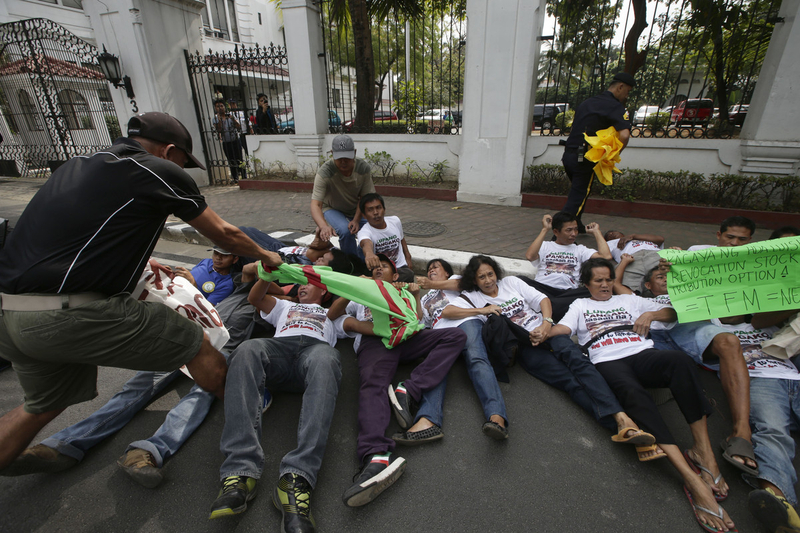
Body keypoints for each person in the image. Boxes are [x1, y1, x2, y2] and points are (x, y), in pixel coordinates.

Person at [0, 111, 282, 472]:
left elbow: (80, 236)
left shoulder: (77, 165)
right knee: (200, 347)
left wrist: (143, 264)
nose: (185, 170)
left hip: (12, 313)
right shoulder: (155, 169)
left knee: (42, 405)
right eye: (184, 161)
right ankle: (247, 434)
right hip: (68, 313)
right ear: (168, 152)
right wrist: (265, 255)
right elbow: (223, 233)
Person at [550, 258, 736, 533]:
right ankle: (692, 479)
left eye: (608, 279)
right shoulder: (580, 305)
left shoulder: (630, 301)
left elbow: (673, 311)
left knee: (679, 362)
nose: (604, 285)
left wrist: (651, 315)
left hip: (641, 352)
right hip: (606, 359)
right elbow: (561, 330)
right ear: (587, 284)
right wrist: (539, 326)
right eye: (598, 281)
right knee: (633, 395)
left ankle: (702, 451)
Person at [451, 255, 653, 453]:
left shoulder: (511, 282)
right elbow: (448, 311)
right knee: (569, 382)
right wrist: (481, 311)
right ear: (474, 280)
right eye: (482, 277)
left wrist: (546, 324)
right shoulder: (473, 297)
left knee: (579, 364)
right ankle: (620, 427)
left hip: (548, 332)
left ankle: (621, 417)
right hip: (525, 347)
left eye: (491, 274)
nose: (488, 280)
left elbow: (542, 299)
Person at [328, 254, 465, 507]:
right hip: (376, 340)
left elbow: (421, 321)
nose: (378, 270)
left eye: (384, 267)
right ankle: (375, 457)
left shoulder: (401, 292)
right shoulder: (362, 292)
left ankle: (408, 390)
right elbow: (331, 316)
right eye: (375, 268)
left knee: (455, 337)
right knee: (373, 386)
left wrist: (413, 295)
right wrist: (351, 289)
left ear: (394, 275)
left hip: (408, 336)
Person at [209, 277, 344, 533]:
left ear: (325, 292)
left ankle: (297, 479)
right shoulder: (284, 306)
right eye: (301, 283)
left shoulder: (333, 314)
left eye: (312, 283)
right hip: (278, 352)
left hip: (314, 356)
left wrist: (352, 288)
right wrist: (266, 275)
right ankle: (239, 472)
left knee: (328, 358)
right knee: (247, 349)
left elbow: (353, 313)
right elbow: (254, 298)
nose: (303, 286)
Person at [712, 315, 800, 533]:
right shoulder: (710, 328)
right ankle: (778, 501)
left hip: (794, 375)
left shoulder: (771, 321)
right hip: (759, 378)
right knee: (772, 429)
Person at [415, 258, 510, 439]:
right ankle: (428, 421)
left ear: (447, 272)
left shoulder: (457, 280)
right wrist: (417, 295)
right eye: (428, 270)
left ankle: (497, 417)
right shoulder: (427, 296)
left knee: (477, 360)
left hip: (465, 321)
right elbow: (420, 320)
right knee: (435, 369)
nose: (430, 271)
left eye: (435, 267)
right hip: (441, 333)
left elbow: (459, 283)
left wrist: (433, 283)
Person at [561, 72, 634, 229]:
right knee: (578, 196)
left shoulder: (587, 103)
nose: (626, 96)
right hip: (587, 157)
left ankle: (577, 224)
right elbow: (624, 135)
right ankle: (559, 234)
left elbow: (574, 127)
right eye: (627, 91)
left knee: (579, 192)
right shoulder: (615, 106)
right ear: (620, 87)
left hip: (569, 154)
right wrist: (612, 155)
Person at [522, 211, 612, 321]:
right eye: (569, 230)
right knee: (518, 280)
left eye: (576, 229)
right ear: (556, 232)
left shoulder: (580, 250)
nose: (574, 233)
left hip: (567, 293)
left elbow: (606, 257)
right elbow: (530, 256)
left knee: (590, 290)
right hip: (543, 289)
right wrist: (545, 229)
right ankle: (551, 308)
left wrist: (596, 232)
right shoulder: (545, 245)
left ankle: (545, 308)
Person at [310, 135, 375, 259]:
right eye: (339, 158)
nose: (343, 161)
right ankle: (350, 263)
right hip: (332, 208)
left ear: (354, 153)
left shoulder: (363, 168)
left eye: (347, 157)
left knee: (372, 227)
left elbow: (365, 198)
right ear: (332, 154)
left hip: (356, 207)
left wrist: (356, 219)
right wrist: (323, 226)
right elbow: (316, 204)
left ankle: (362, 261)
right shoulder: (325, 172)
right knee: (345, 231)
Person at [357, 192, 414, 281]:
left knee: (409, 274)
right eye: (370, 210)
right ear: (364, 215)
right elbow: (365, 243)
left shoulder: (395, 221)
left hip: (400, 268)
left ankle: (385, 284)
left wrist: (408, 257)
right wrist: (369, 254)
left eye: (378, 208)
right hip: (381, 270)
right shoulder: (364, 232)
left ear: (384, 209)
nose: (375, 212)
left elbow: (401, 239)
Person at [174, 246, 239, 306]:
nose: (218, 258)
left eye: (224, 255)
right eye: (216, 253)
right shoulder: (206, 261)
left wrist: (193, 284)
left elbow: (206, 308)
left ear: (235, 259)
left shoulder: (226, 284)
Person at [213, 99, 247, 183]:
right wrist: (219, 120)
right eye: (218, 106)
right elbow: (219, 130)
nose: (220, 108)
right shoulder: (215, 119)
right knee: (231, 159)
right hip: (226, 142)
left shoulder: (231, 115)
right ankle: (235, 177)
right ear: (215, 108)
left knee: (239, 158)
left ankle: (244, 175)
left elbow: (238, 127)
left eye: (221, 106)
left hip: (235, 140)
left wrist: (233, 119)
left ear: (225, 107)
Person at [687, 215, 755, 251]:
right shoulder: (696, 251)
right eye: (730, 237)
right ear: (719, 235)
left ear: (749, 239)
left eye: (742, 239)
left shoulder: (755, 261)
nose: (735, 243)